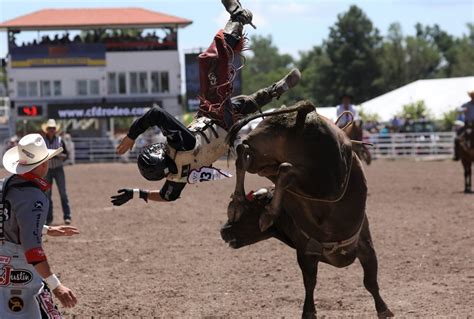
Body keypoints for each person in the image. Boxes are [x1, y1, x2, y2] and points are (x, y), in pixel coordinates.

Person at [111, 0, 301, 206]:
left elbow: (168, 196)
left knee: (244, 104)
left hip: (223, 132)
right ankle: (238, 18)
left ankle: (276, 90)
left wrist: (136, 193)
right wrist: (131, 136)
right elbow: (156, 114)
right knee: (209, 61)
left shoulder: (176, 178)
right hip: (214, 116)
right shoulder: (181, 144)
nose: (162, 148)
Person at [1, 133, 78, 318]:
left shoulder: (5, 184)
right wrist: (55, 285)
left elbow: (7, 218)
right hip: (18, 264)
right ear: (43, 164)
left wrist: (46, 229)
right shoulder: (34, 196)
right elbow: (32, 249)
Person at [41, 119, 72, 225]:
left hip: (58, 168)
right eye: (50, 128)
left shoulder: (60, 140)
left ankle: (67, 216)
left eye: (53, 128)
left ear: (55, 130)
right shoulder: (42, 142)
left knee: (63, 193)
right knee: (47, 194)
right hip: (47, 170)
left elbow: (66, 155)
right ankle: (49, 219)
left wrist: (60, 156)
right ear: (47, 130)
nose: (51, 130)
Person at [453, 90, 474, 161]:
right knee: (457, 138)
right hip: (468, 125)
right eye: (472, 96)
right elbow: (458, 109)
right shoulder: (466, 105)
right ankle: (457, 155)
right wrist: (462, 109)